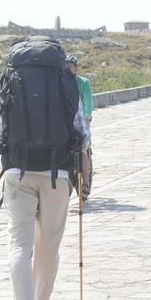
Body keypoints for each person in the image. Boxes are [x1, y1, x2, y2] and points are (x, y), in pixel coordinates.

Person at [0, 38, 90, 300]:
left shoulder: (10, 79)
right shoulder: (66, 81)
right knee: (48, 248)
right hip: (58, 174)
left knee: (20, 245)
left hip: (17, 173)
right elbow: (84, 137)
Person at [66, 54, 93, 201]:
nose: (67, 69)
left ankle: (86, 183)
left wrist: (87, 114)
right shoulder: (60, 82)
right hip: (65, 122)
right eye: (65, 66)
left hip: (81, 119)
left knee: (83, 149)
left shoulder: (82, 82)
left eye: (70, 66)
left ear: (76, 68)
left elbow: (87, 99)